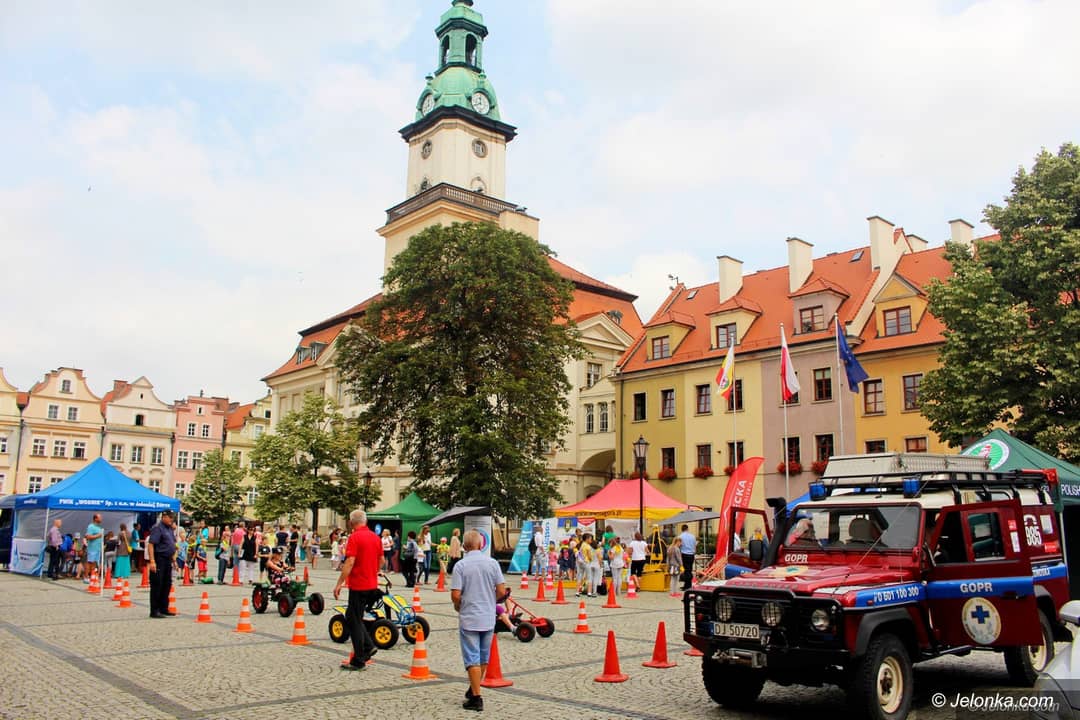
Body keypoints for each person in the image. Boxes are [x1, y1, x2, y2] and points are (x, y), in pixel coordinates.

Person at [452, 529, 509, 712]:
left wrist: (459, 605)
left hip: (469, 616)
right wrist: (491, 600)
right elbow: (501, 591)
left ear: (464, 545)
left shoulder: (460, 566)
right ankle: (473, 688)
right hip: (488, 616)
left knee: (472, 658)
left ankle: (476, 697)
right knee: (484, 657)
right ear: (480, 544)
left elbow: (456, 594)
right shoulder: (492, 563)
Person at [334, 508, 383, 671]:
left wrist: (339, 583)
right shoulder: (375, 537)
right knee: (353, 616)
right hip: (372, 585)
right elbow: (382, 560)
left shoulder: (354, 537)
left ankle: (360, 658)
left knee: (353, 619)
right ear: (365, 521)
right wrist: (374, 571)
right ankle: (367, 646)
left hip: (358, 585)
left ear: (351, 522)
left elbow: (350, 562)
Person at [147, 511, 177, 618]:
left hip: (168, 559)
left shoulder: (169, 528)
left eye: (172, 517)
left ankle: (164, 608)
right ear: (164, 517)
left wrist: (174, 560)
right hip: (159, 559)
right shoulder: (157, 528)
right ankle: (154, 610)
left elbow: (172, 544)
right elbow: (151, 544)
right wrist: (152, 561)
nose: (172, 519)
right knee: (157, 584)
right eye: (170, 517)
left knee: (167, 584)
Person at [84, 514, 104, 583]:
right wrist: (98, 535)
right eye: (100, 517)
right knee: (89, 562)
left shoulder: (99, 528)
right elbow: (88, 537)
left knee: (95, 563)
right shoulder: (91, 526)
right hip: (92, 548)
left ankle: (92, 576)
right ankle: (86, 577)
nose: (101, 519)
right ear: (95, 519)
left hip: (98, 548)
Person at [678, 524, 697, 591]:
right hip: (691, 555)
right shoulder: (693, 536)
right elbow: (695, 546)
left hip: (684, 554)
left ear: (682, 529)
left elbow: (679, 546)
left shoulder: (680, 537)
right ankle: (687, 585)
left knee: (686, 570)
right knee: (689, 570)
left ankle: (687, 586)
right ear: (687, 529)